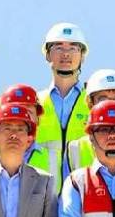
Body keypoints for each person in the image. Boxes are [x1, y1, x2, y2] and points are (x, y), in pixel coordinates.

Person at [36, 22, 91, 185]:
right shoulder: (34, 103)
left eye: (73, 48)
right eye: (58, 48)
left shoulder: (94, 102)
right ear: (47, 54)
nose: (66, 54)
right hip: (43, 198)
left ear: (82, 55)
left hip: (85, 195)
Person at [0, 84, 60, 177]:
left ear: (38, 119)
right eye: (12, 113)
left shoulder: (54, 158)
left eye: (28, 112)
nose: (22, 117)